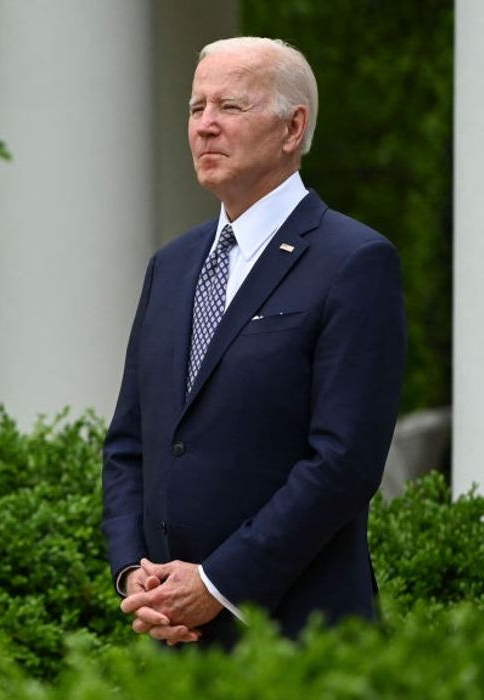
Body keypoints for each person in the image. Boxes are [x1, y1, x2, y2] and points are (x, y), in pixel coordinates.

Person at [100, 36, 406, 649]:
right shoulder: (173, 264)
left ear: (292, 129)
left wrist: (217, 584)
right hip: (172, 639)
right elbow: (131, 444)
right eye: (195, 108)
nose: (205, 127)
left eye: (229, 108)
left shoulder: (354, 261)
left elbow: (344, 462)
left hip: (297, 638)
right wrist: (135, 572)